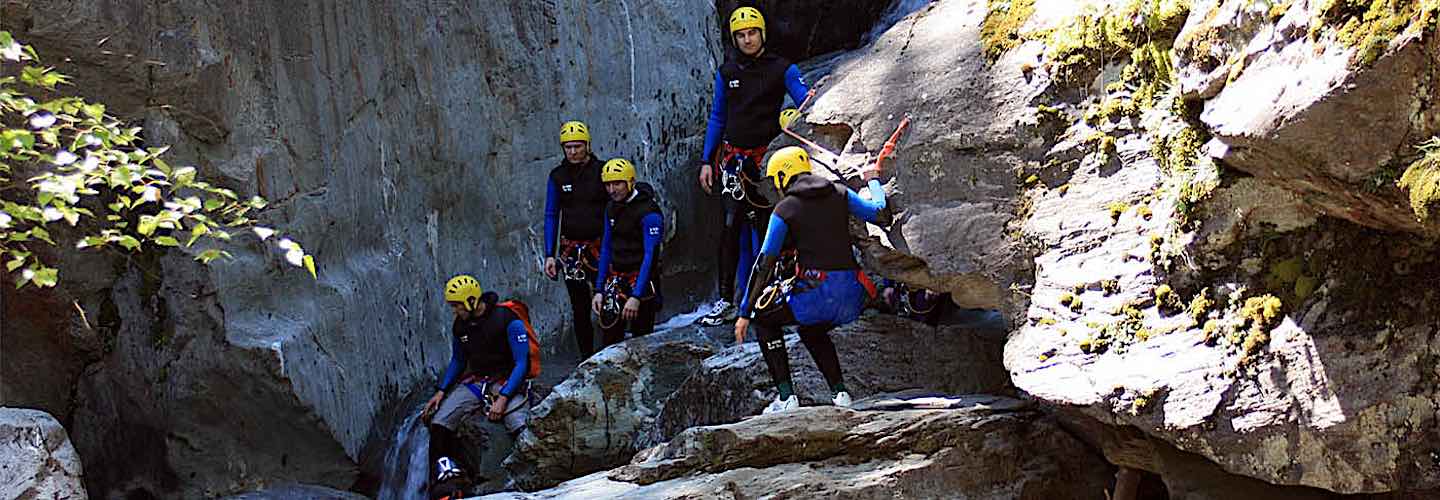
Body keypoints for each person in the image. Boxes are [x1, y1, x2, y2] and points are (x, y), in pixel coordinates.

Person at [734, 146, 887, 414]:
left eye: (775, 180)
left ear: (783, 176)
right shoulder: (839, 193)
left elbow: (764, 262)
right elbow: (879, 212)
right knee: (811, 329)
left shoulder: (785, 209)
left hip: (816, 296)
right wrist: (872, 179)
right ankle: (840, 393)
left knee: (764, 319)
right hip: (853, 296)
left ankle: (786, 398)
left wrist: (746, 310)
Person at [696, 6, 810, 327]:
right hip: (732, 162)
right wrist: (707, 160)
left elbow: (804, 100)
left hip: (766, 163)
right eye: (741, 35)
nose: (747, 39)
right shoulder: (727, 73)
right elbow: (718, 117)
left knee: (766, 229)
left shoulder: (782, 69)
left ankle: (764, 297)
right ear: (734, 39)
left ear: (763, 33)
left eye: (752, 33)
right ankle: (726, 301)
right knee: (729, 229)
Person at [422, 275, 532, 494]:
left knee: (518, 424)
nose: (454, 311)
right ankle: (443, 481)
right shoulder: (461, 326)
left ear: (471, 301)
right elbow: (458, 361)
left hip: (506, 380)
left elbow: (522, 362)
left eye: (456, 306)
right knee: (439, 423)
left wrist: (503, 398)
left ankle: (527, 478)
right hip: (478, 381)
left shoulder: (507, 319)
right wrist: (441, 391)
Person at [543, 120, 608, 359]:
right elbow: (551, 214)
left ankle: (612, 351)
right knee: (579, 307)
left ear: (587, 146)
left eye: (577, 146)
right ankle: (587, 358)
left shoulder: (602, 172)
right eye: (568, 147)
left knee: (608, 301)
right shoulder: (558, 177)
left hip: (600, 248)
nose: (572, 152)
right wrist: (550, 253)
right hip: (571, 252)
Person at [591, 158, 664, 348]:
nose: (612, 189)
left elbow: (650, 255)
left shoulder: (649, 213)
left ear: (630, 182)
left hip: (641, 282)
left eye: (617, 184)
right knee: (609, 339)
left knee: (642, 342)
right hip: (616, 281)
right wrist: (599, 290)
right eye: (607, 185)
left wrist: (636, 296)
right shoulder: (611, 208)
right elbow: (606, 248)